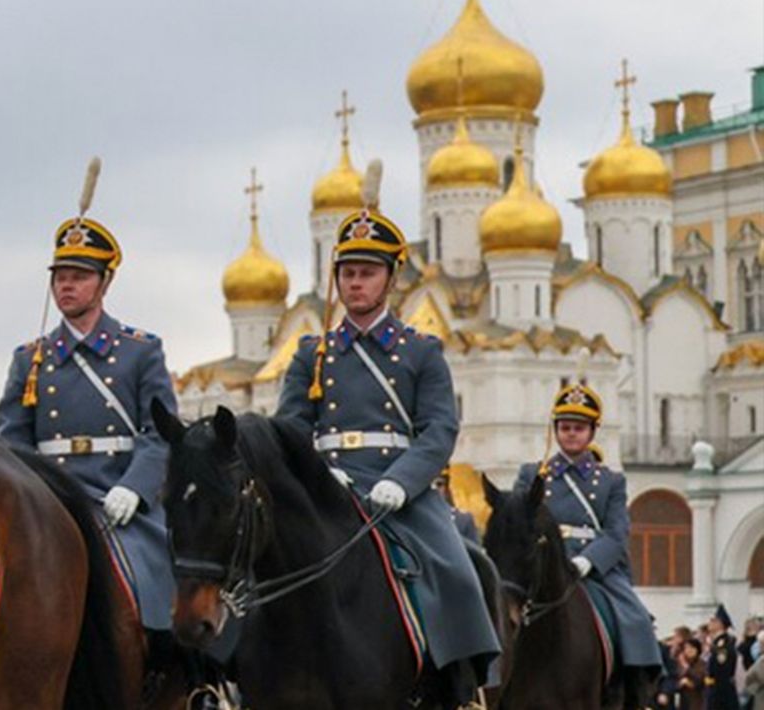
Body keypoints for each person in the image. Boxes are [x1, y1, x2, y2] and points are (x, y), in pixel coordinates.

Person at [275, 202, 501, 708]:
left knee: (457, 569)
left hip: (399, 490)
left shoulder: (421, 350)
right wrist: (316, 470)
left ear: (391, 279)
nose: (356, 283)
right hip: (326, 488)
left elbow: (440, 427)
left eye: (367, 273)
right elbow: (289, 427)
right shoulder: (313, 353)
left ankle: (459, 688)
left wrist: (402, 480)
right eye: (348, 273)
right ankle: (230, 676)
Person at [0, 207, 176, 642]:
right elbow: (12, 440)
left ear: (104, 282)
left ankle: (187, 678)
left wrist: (135, 488)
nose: (66, 285)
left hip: (120, 498)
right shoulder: (30, 359)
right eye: (60, 276)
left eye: (79, 276)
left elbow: (161, 434)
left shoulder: (140, 351)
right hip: (52, 497)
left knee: (164, 578)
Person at [511, 382, 664, 694]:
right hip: (541, 562)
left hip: (592, 567)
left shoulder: (610, 482)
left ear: (592, 432)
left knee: (634, 618)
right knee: (501, 610)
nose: (571, 434)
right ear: (555, 430)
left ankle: (636, 690)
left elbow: (617, 532)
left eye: (579, 428)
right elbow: (517, 522)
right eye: (565, 427)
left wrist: (588, 560)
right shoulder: (532, 475)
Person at [709, 606, 740, 710]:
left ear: (720, 624)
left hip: (721, 695)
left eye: (713, 620)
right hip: (717, 692)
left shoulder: (722, 647)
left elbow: (721, 673)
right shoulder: (717, 644)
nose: (710, 622)